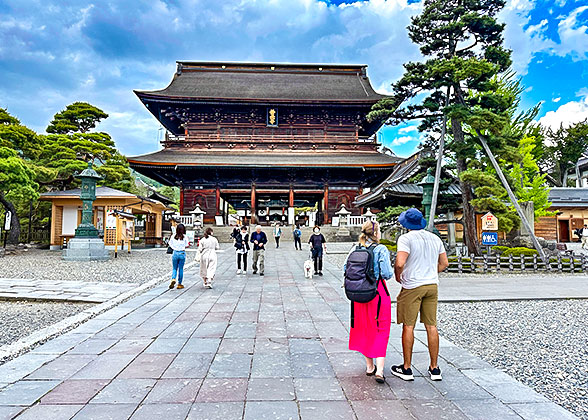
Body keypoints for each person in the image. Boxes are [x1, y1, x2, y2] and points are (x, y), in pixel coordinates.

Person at [390, 208, 449, 382]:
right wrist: (431, 272)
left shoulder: (406, 239)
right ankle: (434, 368)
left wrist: (398, 276)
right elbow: (444, 263)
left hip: (413, 285)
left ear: (406, 224)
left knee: (409, 326)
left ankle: (407, 368)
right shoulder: (434, 238)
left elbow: (400, 262)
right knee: (431, 325)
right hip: (431, 285)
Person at [345, 220, 393, 384]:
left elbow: (346, 268)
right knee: (380, 328)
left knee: (364, 327)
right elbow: (386, 274)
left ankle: (369, 366)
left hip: (359, 294)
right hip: (377, 293)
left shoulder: (355, 248)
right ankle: (380, 370)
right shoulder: (381, 249)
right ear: (377, 233)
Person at [168, 223, 189, 290]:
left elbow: (170, 244)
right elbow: (186, 245)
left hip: (175, 252)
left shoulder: (173, 236)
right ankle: (179, 284)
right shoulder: (185, 236)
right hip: (182, 253)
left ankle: (173, 278)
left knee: (174, 268)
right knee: (181, 269)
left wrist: (174, 247)